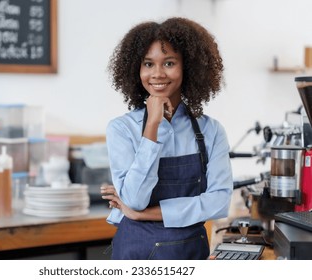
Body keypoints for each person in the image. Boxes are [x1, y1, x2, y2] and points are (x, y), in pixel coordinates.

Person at [100, 17, 233, 260]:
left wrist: (146, 214)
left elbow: (219, 202)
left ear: (188, 67)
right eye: (148, 64)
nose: (157, 74)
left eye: (169, 63)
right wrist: (152, 126)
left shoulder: (211, 131)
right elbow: (135, 199)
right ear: (136, 69)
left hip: (191, 253)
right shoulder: (121, 129)